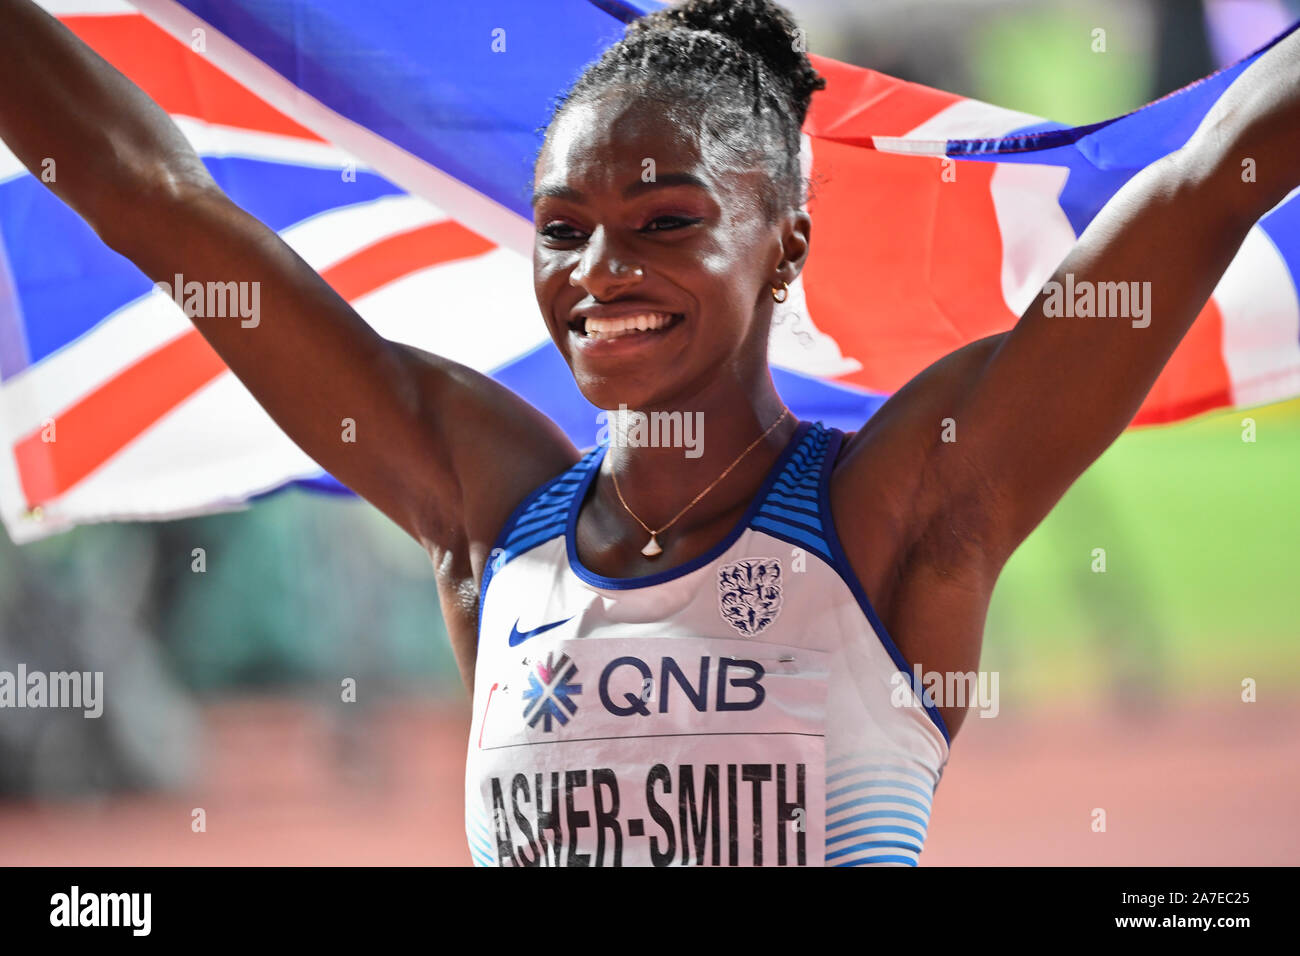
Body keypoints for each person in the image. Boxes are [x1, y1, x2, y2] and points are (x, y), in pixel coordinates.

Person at [1, 0, 1296, 866]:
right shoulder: (490, 521)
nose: (599, 268)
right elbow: (153, 200)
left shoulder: (895, 516)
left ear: (784, 245)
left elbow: (1203, 182)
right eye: (563, 228)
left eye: (666, 219)